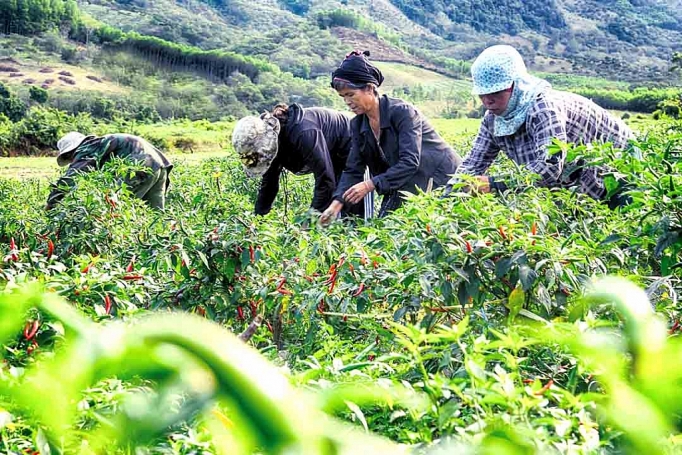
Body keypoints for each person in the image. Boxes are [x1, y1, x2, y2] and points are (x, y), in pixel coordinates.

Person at [445, 45, 634, 208]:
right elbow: (473, 163)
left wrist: (494, 184)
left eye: (496, 92)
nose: (487, 100)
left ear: (516, 85)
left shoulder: (543, 109)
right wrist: (447, 198)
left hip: (621, 169)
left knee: (623, 227)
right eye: (482, 94)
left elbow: (549, 169)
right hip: (577, 177)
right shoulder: (492, 119)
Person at [319, 50, 463, 225]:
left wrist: (370, 184)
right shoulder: (358, 125)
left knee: (432, 230)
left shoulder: (402, 112)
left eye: (351, 94)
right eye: (343, 97)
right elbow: (353, 169)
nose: (347, 101)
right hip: (404, 181)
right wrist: (336, 204)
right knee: (385, 231)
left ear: (370, 88)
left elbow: (410, 161)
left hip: (440, 176)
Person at [232, 104, 363, 216]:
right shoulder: (271, 145)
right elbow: (269, 185)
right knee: (329, 212)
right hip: (328, 149)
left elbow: (325, 180)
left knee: (349, 202)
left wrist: (309, 220)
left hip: (350, 144)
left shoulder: (303, 133)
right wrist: (257, 219)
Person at [46, 132, 173, 210]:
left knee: (117, 209)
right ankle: (165, 248)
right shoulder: (99, 144)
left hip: (138, 165)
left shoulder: (86, 148)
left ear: (72, 150)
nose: (72, 160)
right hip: (160, 166)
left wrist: (51, 204)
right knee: (155, 216)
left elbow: (70, 178)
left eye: (69, 157)